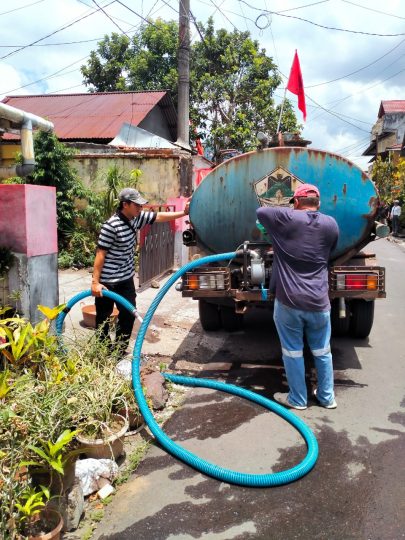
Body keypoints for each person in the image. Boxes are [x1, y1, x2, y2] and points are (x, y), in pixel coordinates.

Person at [256, 183, 339, 410]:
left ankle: (298, 399)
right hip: (319, 301)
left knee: (293, 351)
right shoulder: (331, 224)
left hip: (289, 301)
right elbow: (330, 251)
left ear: (296, 202)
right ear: (319, 203)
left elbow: (261, 213)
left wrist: (288, 210)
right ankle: (327, 397)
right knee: (323, 351)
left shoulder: (287, 219)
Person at [91, 187, 190, 354]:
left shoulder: (136, 218)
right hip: (107, 282)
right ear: (125, 204)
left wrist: (183, 213)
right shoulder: (111, 226)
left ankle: (120, 351)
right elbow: (100, 254)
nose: (140, 208)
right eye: (137, 205)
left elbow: (159, 216)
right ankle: (103, 351)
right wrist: (95, 282)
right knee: (103, 319)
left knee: (128, 315)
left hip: (126, 280)